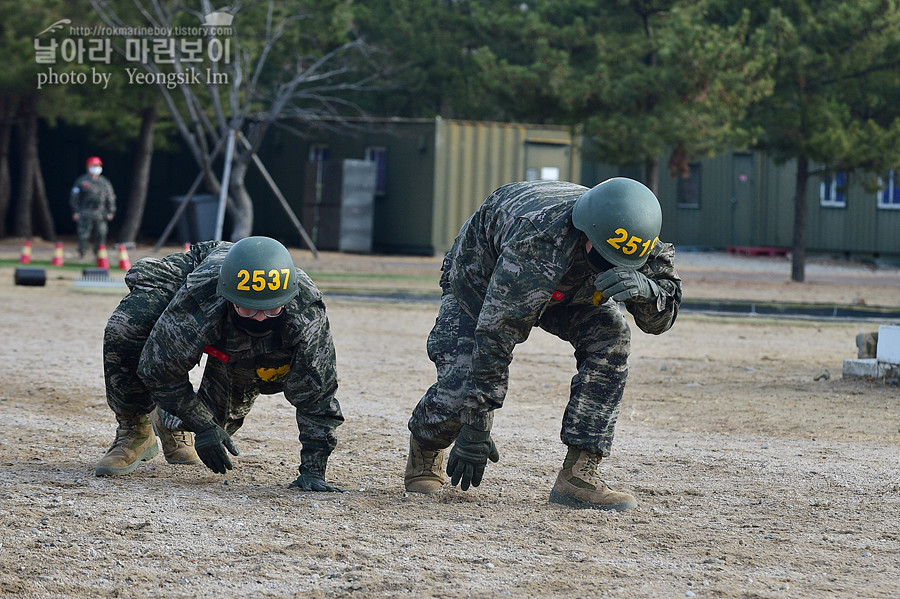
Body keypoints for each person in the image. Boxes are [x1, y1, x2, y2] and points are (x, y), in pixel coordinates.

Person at [404, 177, 682, 511]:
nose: (611, 266)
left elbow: (660, 321)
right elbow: (497, 333)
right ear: (585, 231)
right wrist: (476, 425)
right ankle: (425, 446)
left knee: (613, 337)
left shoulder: (638, 239)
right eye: (603, 257)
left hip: (571, 291)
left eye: (619, 262)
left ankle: (579, 474)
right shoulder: (539, 237)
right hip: (483, 282)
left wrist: (647, 292)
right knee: (461, 388)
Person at [96, 236, 344, 492]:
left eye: (271, 309)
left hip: (238, 316)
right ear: (229, 298)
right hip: (198, 272)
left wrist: (314, 471)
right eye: (248, 309)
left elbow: (318, 394)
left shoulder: (305, 313)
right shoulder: (201, 296)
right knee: (126, 327)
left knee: (220, 424)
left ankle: (168, 422)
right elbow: (158, 371)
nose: (259, 318)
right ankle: (134, 429)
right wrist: (203, 426)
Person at [70, 156, 116, 258]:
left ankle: (99, 255)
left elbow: (110, 197)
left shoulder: (104, 182)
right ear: (88, 166)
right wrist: (76, 211)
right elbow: (75, 198)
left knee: (101, 234)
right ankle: (82, 253)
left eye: (98, 166)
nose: (96, 168)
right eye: (94, 166)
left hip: (100, 213)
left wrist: (111, 211)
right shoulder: (82, 181)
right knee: (84, 234)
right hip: (85, 212)